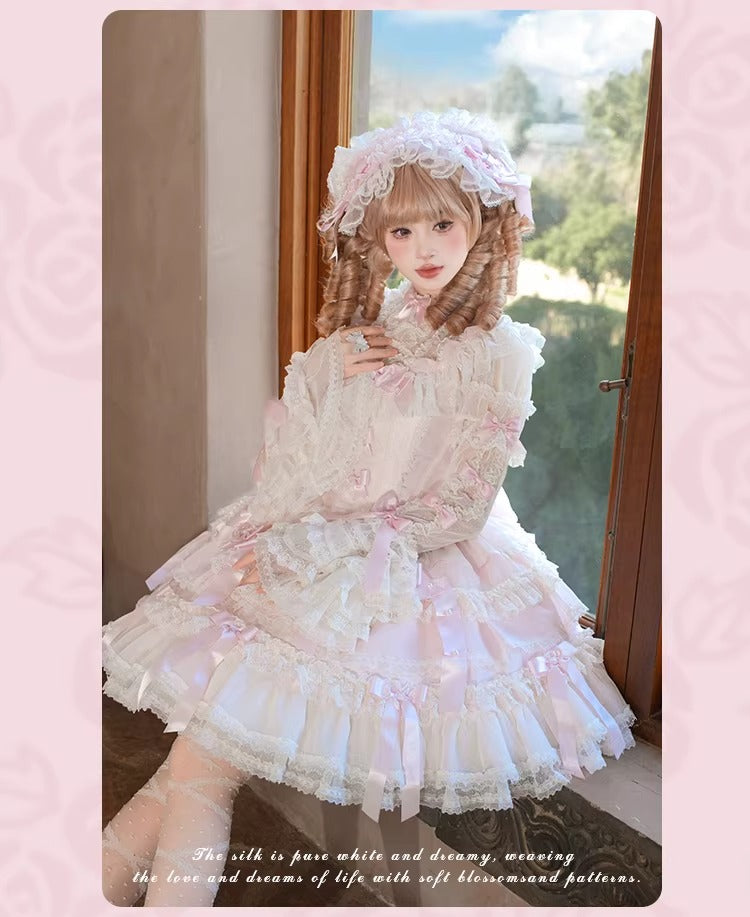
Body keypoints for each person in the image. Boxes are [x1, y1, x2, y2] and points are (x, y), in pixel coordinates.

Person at [101, 108, 637, 907]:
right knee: (197, 763)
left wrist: (325, 543)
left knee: (198, 763)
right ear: (379, 239)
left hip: (399, 581)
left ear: (482, 223)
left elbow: (460, 507)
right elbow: (302, 471)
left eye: (442, 224)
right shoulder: (374, 327)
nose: (423, 249)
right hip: (314, 557)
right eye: (400, 231)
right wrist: (327, 375)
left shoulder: (499, 353)